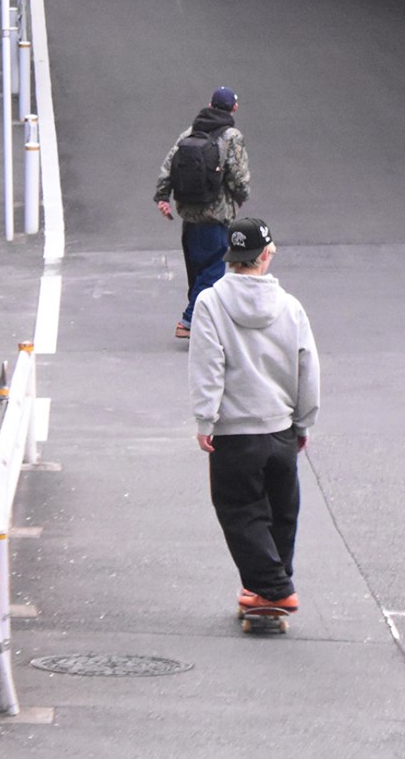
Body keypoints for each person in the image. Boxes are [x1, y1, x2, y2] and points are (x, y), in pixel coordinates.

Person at [188, 217, 320, 614]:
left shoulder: (211, 302)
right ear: (266, 254)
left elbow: (208, 365)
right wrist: (304, 420)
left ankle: (273, 588)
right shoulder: (290, 306)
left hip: (235, 431)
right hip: (280, 427)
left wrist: (205, 419)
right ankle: (267, 586)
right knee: (281, 512)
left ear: (231, 256)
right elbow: (306, 366)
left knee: (240, 510)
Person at [154, 86, 250, 339]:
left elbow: (168, 166)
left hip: (188, 211)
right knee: (214, 270)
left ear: (210, 104)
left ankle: (204, 320)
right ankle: (189, 320)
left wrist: (162, 197)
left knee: (198, 270)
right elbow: (238, 176)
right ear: (234, 108)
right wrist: (240, 198)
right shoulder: (231, 137)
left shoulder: (190, 132)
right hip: (215, 214)